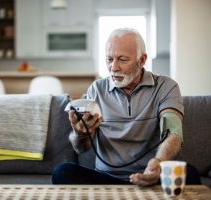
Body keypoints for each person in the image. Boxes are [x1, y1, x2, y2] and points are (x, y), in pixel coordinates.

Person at [52, 28, 201, 186]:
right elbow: (81, 148)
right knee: (62, 172)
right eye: (109, 59)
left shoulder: (165, 86)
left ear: (142, 60)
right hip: (107, 179)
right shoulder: (96, 90)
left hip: (152, 176)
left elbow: (173, 134)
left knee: (189, 174)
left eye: (122, 60)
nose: (114, 67)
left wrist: (159, 162)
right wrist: (80, 134)